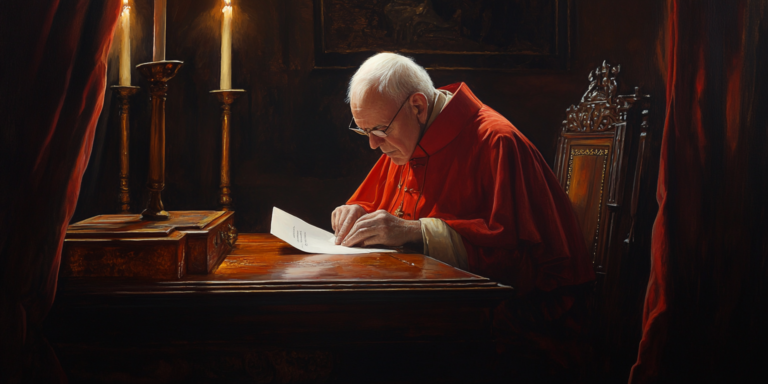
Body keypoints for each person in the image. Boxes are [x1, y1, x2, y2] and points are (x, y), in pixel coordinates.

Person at [332, 52, 594, 296]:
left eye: (380, 130)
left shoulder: (497, 142)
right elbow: (378, 208)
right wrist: (357, 211)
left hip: (494, 313)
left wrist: (416, 232)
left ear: (418, 107)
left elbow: (516, 261)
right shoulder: (404, 138)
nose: (373, 144)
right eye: (365, 131)